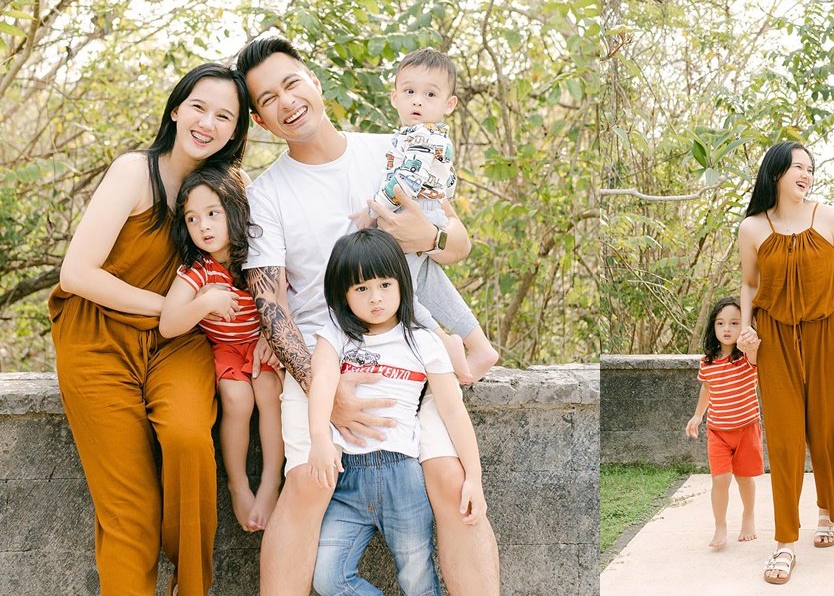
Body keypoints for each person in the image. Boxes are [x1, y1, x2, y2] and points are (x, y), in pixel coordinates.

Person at [233, 36, 500, 595]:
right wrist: (323, 390)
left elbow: (458, 245)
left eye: (292, 83)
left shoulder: (392, 149)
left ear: (314, 82)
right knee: (308, 482)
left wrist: (426, 234)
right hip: (323, 357)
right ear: (259, 118)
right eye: (268, 98)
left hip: (409, 344)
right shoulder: (268, 194)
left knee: (451, 481)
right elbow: (271, 305)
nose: (286, 101)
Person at [49, 63, 250, 595]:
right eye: (198, 107)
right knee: (130, 509)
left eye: (224, 116)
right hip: (99, 336)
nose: (207, 122)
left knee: (189, 440)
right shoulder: (134, 172)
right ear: (175, 109)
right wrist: (172, 305)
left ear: (236, 131)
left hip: (180, 340)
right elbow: (76, 273)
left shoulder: (227, 191)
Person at [305, 229, 487, 596]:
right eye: (361, 289)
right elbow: (322, 381)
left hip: (402, 476)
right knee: (327, 578)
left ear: (402, 284)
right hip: (345, 481)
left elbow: (453, 413)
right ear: (342, 294)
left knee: (417, 580)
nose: (375, 298)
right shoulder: (336, 335)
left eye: (385, 284)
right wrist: (319, 440)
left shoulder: (422, 339)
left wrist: (474, 479)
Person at [737, 141, 834, 585]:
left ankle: (828, 512)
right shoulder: (753, 227)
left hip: (829, 334)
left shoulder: (829, 217)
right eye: (797, 167)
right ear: (775, 173)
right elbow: (749, 285)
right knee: (786, 436)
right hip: (773, 340)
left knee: (833, 427)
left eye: (810, 167)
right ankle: (784, 543)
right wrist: (746, 332)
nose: (806, 174)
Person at [348, 47, 499, 384]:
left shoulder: (421, 136)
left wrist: (372, 212)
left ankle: (446, 344)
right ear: (395, 96)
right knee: (431, 283)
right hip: (428, 212)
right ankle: (480, 346)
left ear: (449, 104)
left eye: (430, 94)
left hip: (412, 211)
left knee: (402, 291)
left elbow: (406, 181)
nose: (418, 101)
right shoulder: (428, 137)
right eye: (410, 92)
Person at [159, 165, 284, 533]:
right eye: (193, 219)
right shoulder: (198, 271)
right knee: (236, 397)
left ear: (235, 208)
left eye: (213, 213)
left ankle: (271, 481)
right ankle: (238, 482)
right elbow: (168, 323)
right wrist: (205, 303)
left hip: (261, 344)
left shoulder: (258, 255)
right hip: (226, 349)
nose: (204, 226)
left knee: (269, 393)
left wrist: (270, 336)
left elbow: (281, 298)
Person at [685, 296, 763, 550]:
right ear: (713, 327)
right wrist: (698, 415)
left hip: (746, 428)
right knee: (720, 479)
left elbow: (754, 353)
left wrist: (750, 343)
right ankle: (720, 525)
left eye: (734, 323)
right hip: (717, 430)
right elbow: (708, 388)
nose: (727, 329)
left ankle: (748, 516)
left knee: (743, 478)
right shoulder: (707, 362)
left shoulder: (747, 359)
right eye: (720, 323)